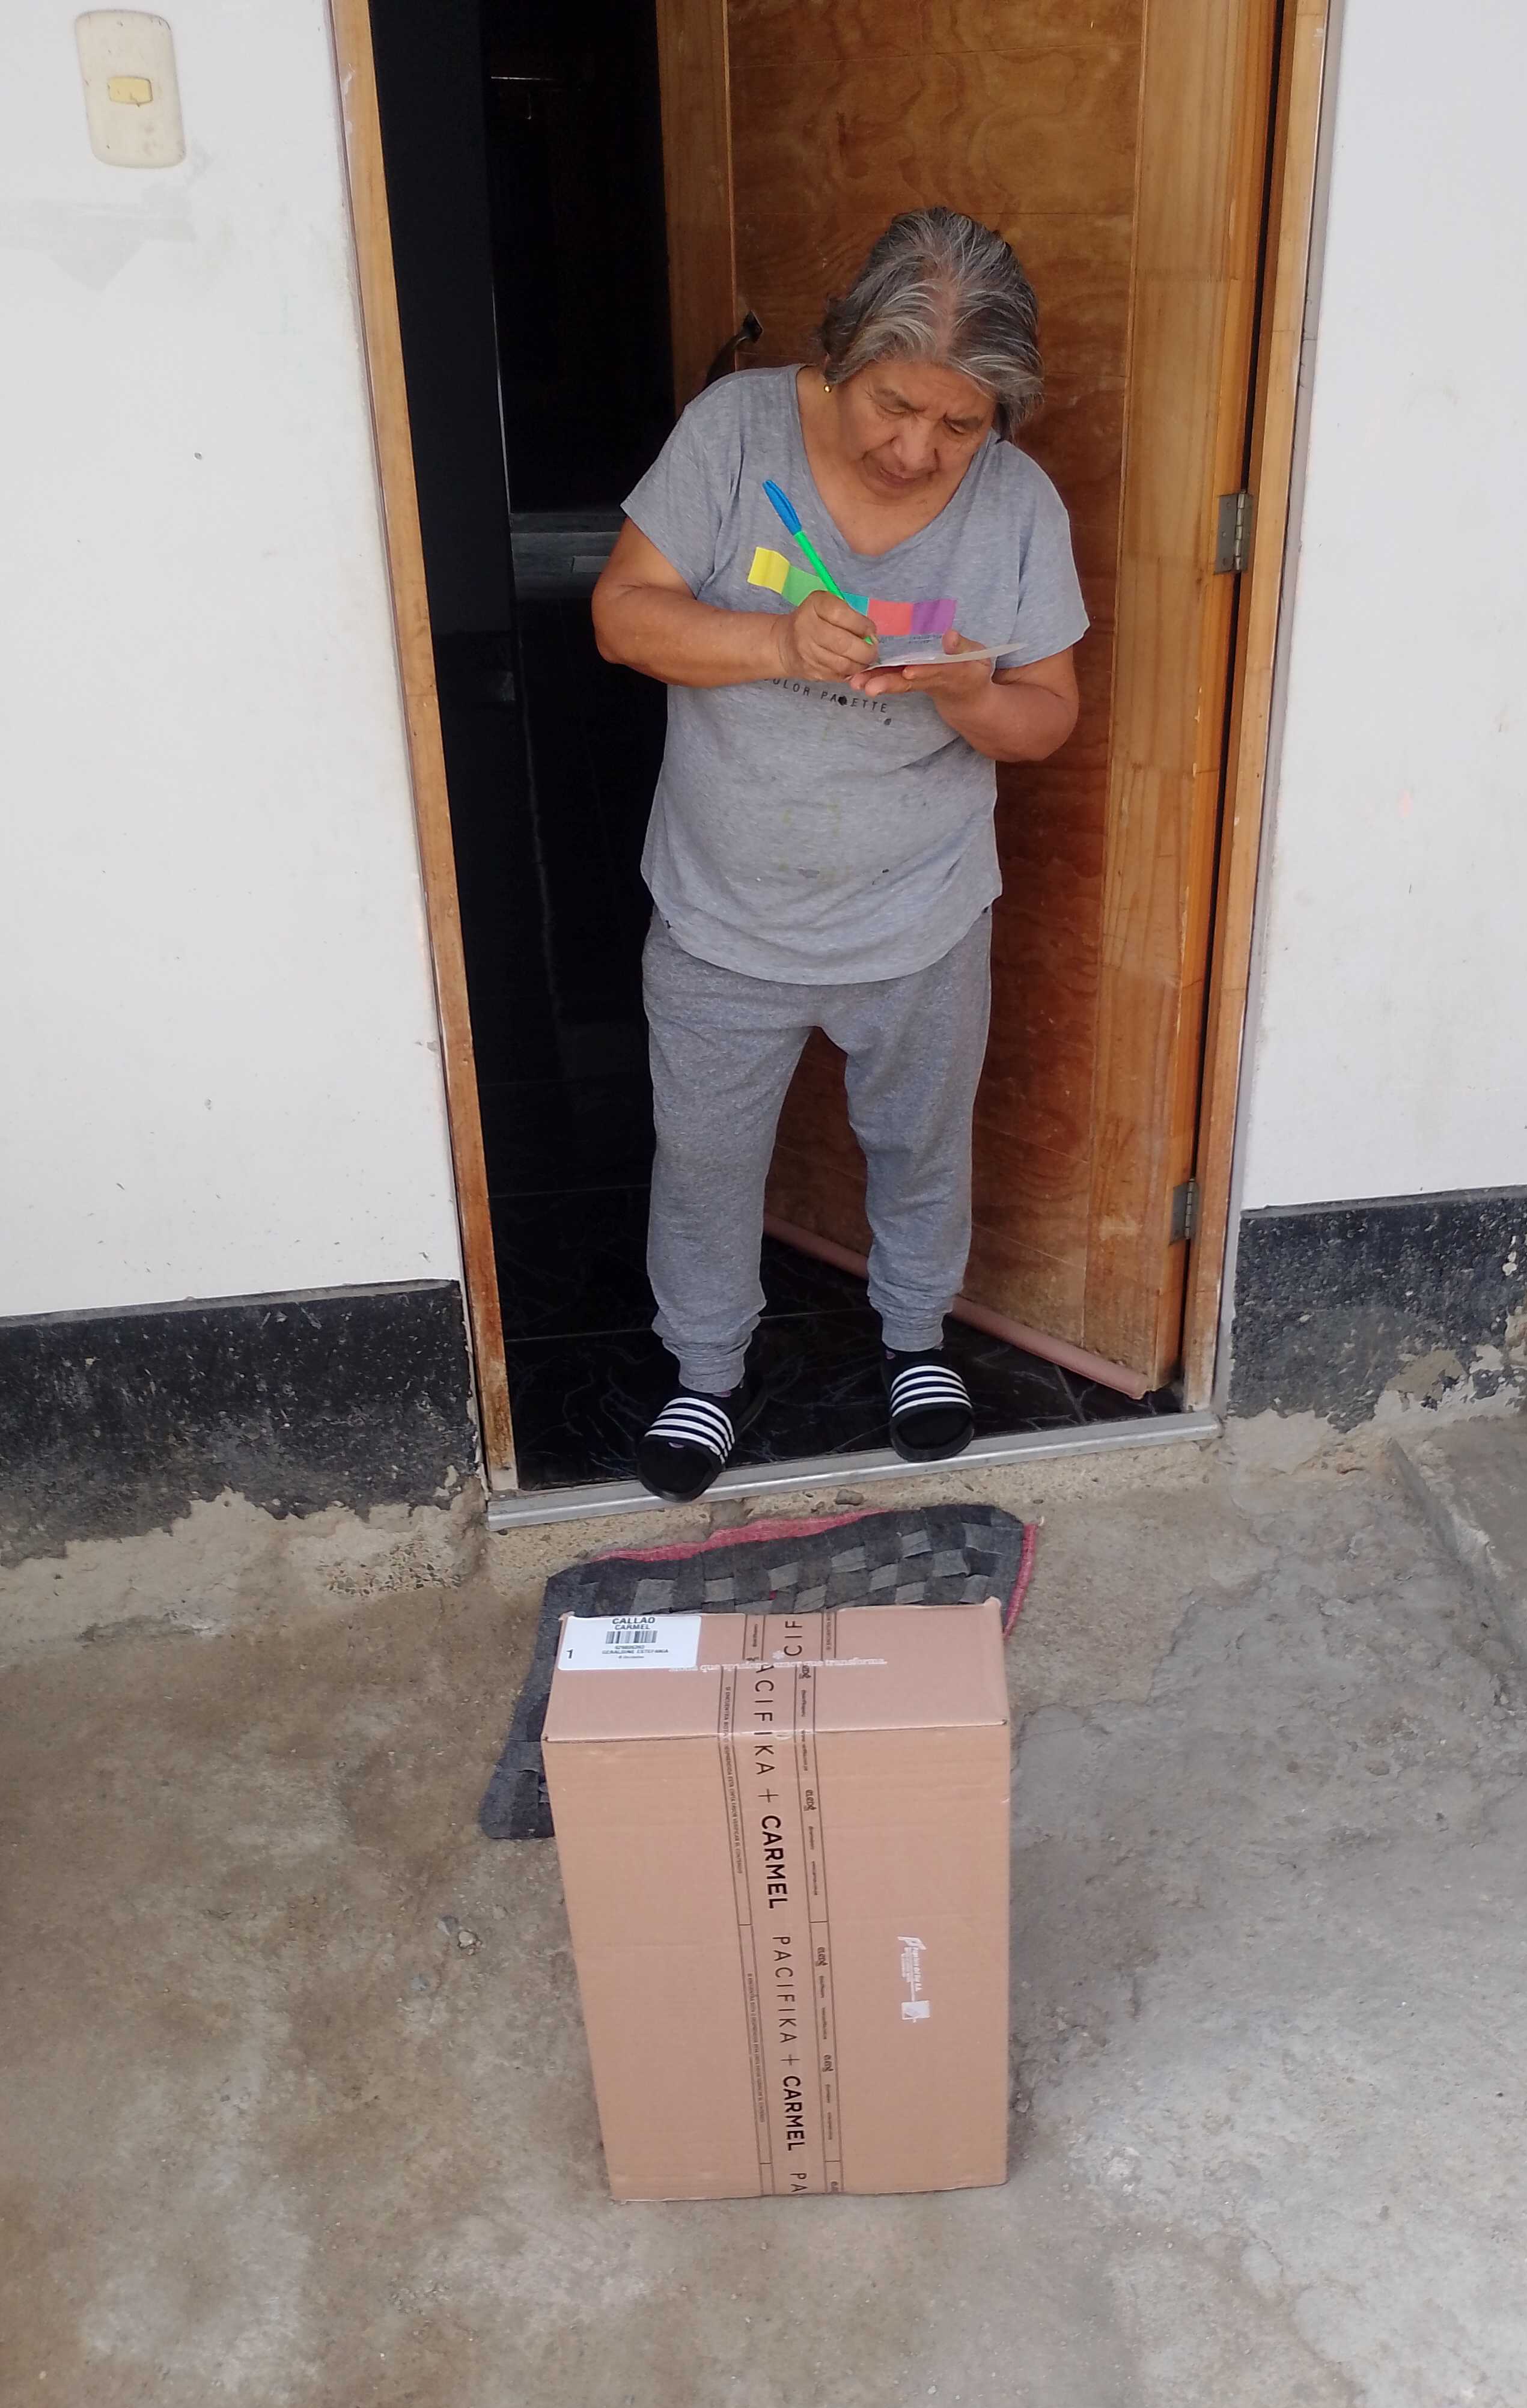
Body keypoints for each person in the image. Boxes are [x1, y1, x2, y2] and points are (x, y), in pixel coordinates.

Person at [592, 207, 1086, 1501]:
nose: (918, 450)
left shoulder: (1019, 503)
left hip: (920, 912)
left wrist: (969, 693)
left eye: (961, 424)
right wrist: (773, 640)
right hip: (722, 910)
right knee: (704, 1162)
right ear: (841, 357)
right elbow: (623, 617)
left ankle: (917, 1339)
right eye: (894, 406)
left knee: (922, 1145)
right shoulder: (736, 434)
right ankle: (706, 1371)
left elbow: (1048, 716)